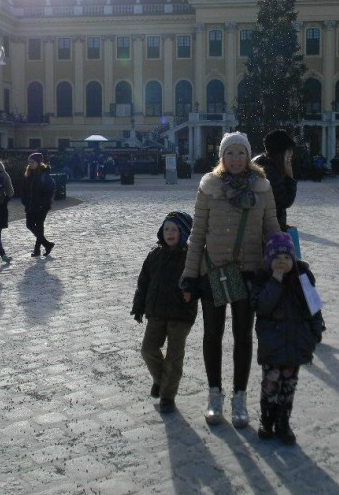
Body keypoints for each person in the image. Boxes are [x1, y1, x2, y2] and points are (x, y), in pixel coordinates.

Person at [181, 131, 280, 428]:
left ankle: (239, 398)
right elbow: (197, 234)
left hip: (249, 272)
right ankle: (214, 395)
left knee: (242, 336)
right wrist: (188, 275)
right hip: (213, 271)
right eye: (230, 153)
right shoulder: (209, 187)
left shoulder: (262, 187)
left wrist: (285, 260)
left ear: (248, 155)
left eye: (241, 153)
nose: (236, 159)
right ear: (222, 157)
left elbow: (272, 227)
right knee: (212, 335)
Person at [251, 232, 321, 445]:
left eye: (287, 258)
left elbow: (314, 309)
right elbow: (261, 306)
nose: (282, 263)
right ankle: (267, 419)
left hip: (296, 343)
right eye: (277, 259)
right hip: (272, 344)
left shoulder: (302, 280)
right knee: (271, 384)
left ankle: (283, 422)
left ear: (294, 259)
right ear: (269, 261)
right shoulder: (264, 280)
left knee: (288, 385)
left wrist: (315, 333)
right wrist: (275, 282)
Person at [131, 211, 196, 414]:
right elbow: (143, 283)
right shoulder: (154, 255)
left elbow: (199, 280)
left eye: (174, 229)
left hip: (181, 314)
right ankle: (160, 380)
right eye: (166, 229)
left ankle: (168, 397)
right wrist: (138, 307)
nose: (170, 233)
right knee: (148, 349)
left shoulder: (190, 257)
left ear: (183, 233)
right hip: (156, 311)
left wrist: (192, 291)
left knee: (174, 357)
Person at [252, 129, 297, 230]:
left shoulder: (266, 165)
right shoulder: (269, 171)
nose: (291, 155)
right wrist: (290, 177)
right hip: (265, 231)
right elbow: (285, 201)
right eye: (290, 151)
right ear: (282, 152)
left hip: (265, 227)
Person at [21, 152, 56, 257]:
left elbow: (50, 190)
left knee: (39, 227)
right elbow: (24, 190)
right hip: (30, 205)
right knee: (30, 225)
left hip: (41, 206)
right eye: (29, 162)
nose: (30, 164)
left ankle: (37, 250)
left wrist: (43, 203)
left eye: (32, 162)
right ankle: (47, 244)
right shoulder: (29, 174)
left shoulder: (44, 174)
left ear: (38, 162)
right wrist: (25, 201)